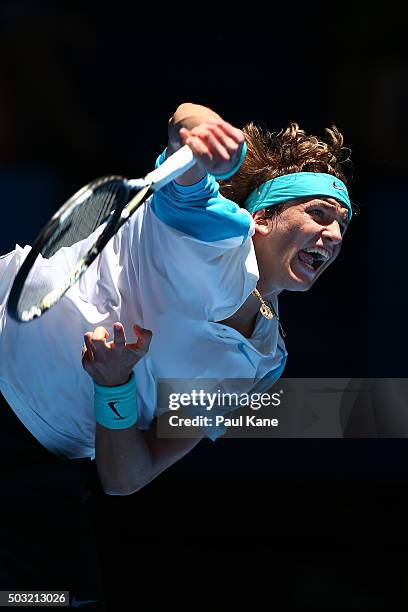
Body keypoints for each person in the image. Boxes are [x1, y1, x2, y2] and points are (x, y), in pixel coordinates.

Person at [78, 102, 354, 493]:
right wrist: (203, 131)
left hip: (48, 458)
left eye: (343, 224)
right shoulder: (212, 231)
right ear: (260, 218)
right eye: (319, 213)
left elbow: (127, 477)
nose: (336, 235)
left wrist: (113, 384)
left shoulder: (263, 361)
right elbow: (183, 123)